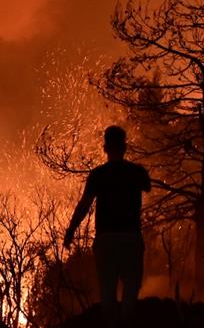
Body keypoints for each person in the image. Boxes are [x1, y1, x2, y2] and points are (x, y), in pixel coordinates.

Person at [63, 125, 151, 319]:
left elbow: (84, 205)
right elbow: (148, 186)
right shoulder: (136, 172)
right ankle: (127, 320)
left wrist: (71, 231)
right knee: (131, 286)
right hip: (130, 237)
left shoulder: (98, 175)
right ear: (125, 147)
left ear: (105, 148)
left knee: (107, 291)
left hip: (106, 239)